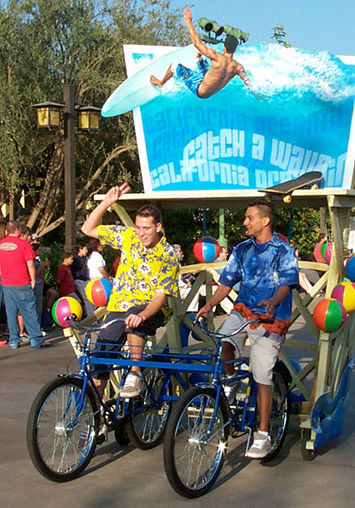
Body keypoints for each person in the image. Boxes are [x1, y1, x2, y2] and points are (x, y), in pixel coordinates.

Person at [195, 200, 298, 459]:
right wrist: (208, 305)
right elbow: (226, 283)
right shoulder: (241, 250)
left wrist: (274, 301)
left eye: (250, 217)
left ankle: (262, 435)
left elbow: (287, 284)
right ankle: (229, 383)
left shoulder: (283, 251)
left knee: (262, 373)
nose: (245, 222)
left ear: (265, 221)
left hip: (272, 318)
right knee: (224, 341)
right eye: (245, 217)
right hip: (243, 310)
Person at [81, 183, 179, 398]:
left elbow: (160, 296)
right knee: (100, 357)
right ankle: (95, 417)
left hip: (151, 309)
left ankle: (135, 373)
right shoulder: (129, 237)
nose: (141, 233)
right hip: (119, 306)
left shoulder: (168, 255)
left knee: (135, 318)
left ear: (158, 227)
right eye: (138, 227)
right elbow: (87, 229)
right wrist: (107, 203)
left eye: (146, 228)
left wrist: (141, 315)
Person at [149, 7, 252, 99]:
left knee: (174, 64)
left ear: (224, 47)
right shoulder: (238, 67)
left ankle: (161, 83)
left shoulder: (216, 56)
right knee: (199, 56)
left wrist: (188, 21)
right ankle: (197, 63)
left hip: (199, 89)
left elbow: (197, 43)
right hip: (210, 91)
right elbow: (248, 83)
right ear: (235, 49)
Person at [0, 221, 47, 349]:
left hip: (7, 283)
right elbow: (30, 264)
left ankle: (14, 340)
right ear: (17, 229)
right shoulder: (23, 245)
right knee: (29, 311)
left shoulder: (0, 245)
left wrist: (4, 276)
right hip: (22, 282)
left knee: (11, 313)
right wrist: (33, 279)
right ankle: (35, 338)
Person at [173, 244, 199, 347]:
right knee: (194, 291)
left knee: (202, 289)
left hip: (179, 289)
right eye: (180, 252)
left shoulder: (178, 264)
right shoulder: (173, 263)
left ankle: (203, 312)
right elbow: (176, 282)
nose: (182, 255)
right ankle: (191, 312)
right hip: (175, 292)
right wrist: (186, 285)